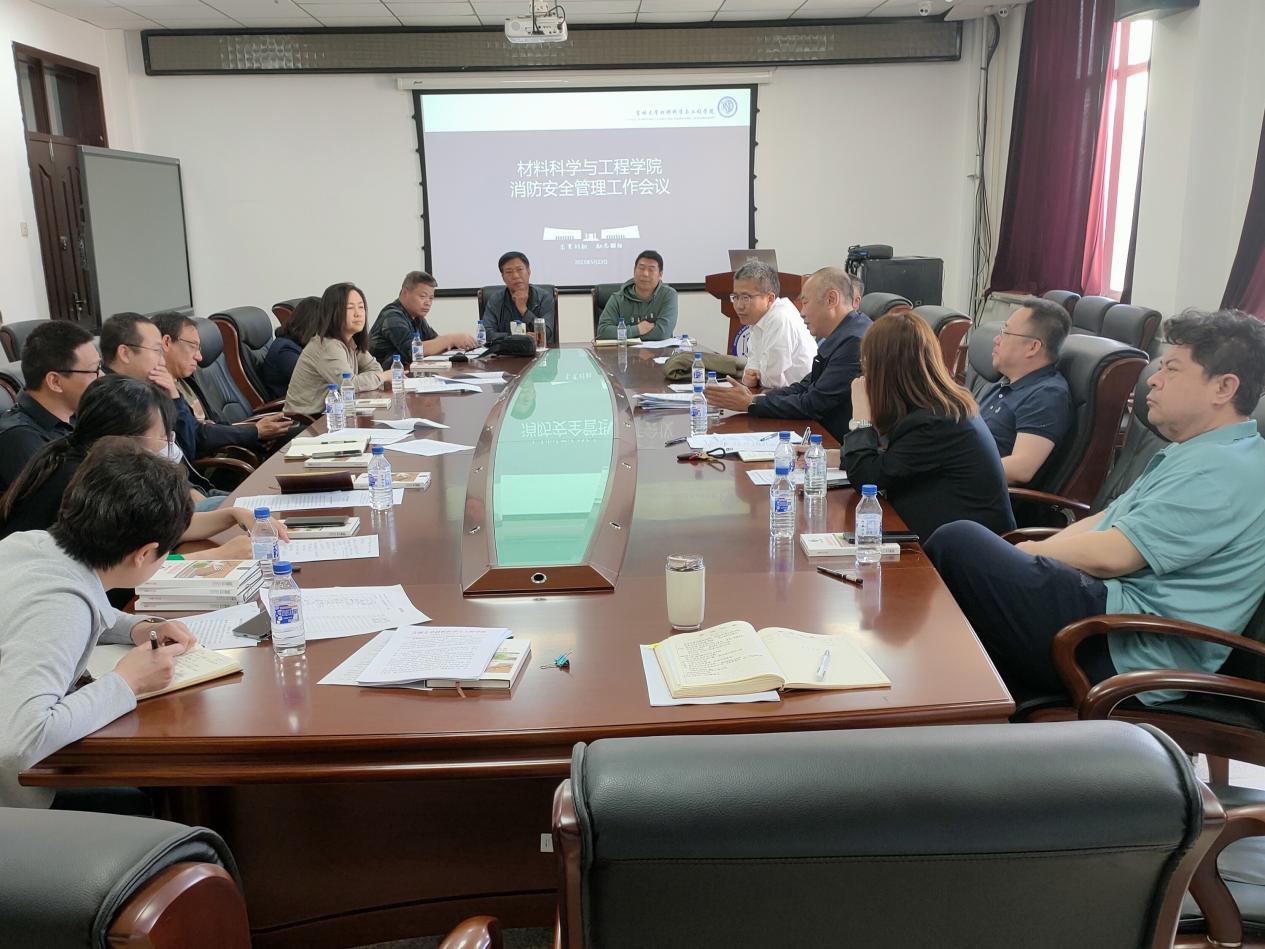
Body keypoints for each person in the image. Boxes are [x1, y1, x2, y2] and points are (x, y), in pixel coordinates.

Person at [926, 309, 1265, 703]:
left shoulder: (1224, 469)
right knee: (968, 571)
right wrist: (1032, 554)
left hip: (1119, 644)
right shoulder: (1199, 451)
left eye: (1171, 370)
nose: (1153, 379)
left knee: (958, 541)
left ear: (1223, 388)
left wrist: (1030, 552)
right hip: (1103, 613)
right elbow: (1107, 518)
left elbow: (1113, 555)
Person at [0, 439, 200, 808]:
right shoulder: (61, 607)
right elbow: (19, 743)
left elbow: (47, 611)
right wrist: (127, 682)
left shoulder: (29, 544)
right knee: (144, 799)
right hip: (14, 808)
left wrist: (137, 628)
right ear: (144, 554)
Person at [0, 374, 285, 557]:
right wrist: (219, 555)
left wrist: (233, 515)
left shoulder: (90, 458)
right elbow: (123, 572)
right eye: (161, 435)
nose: (166, 444)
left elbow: (158, 531)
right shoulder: (88, 482)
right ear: (124, 439)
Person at [840, 311, 1015, 541]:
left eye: (866, 362)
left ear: (886, 368)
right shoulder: (934, 406)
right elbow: (892, 459)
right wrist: (836, 455)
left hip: (962, 550)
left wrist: (861, 419)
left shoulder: (935, 422)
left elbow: (867, 480)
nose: (864, 371)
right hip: (939, 530)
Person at [706, 267, 871, 441]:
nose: (802, 313)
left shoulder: (854, 342)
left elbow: (813, 404)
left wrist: (751, 403)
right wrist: (754, 399)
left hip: (838, 443)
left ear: (831, 299)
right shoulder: (843, 334)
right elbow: (805, 386)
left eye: (805, 303)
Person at [150, 311, 291, 461]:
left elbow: (216, 423)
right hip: (214, 464)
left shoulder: (188, 379)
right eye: (193, 346)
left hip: (229, 450)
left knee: (289, 437)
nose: (199, 357)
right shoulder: (157, 391)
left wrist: (255, 436)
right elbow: (197, 437)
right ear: (166, 342)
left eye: (199, 349)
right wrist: (254, 432)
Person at [979, 297, 1073, 485]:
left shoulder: (1046, 395)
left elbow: (1021, 469)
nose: (996, 339)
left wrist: (953, 469)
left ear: (1033, 347)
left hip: (979, 492)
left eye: (1005, 333)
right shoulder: (1005, 383)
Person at [0, 320, 98, 492]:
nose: (101, 378)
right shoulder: (19, 439)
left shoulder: (78, 413)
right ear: (55, 382)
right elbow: (72, 501)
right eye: (93, 371)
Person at [284, 282, 389, 415]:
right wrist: (384, 376)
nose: (358, 314)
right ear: (333, 312)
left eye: (361, 307)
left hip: (332, 414)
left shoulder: (350, 341)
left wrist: (374, 377)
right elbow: (350, 385)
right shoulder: (327, 346)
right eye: (350, 308)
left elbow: (374, 368)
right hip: (308, 421)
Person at [727, 260, 815, 389]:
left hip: (800, 397)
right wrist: (749, 377)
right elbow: (752, 367)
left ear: (770, 298)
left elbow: (772, 380)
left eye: (746, 297)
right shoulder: (758, 320)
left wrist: (756, 378)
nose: (739, 306)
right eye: (735, 297)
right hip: (782, 395)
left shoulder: (780, 319)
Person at [369, 271, 476, 368]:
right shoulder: (392, 316)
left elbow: (435, 341)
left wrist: (457, 344)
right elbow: (413, 351)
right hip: (384, 378)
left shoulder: (417, 317)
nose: (428, 303)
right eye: (423, 296)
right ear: (404, 293)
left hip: (405, 373)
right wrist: (450, 339)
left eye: (431, 298)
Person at [594, 250, 679, 342]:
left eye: (651, 270)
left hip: (661, 351)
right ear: (634, 270)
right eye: (641, 268)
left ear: (660, 274)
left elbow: (662, 333)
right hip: (625, 350)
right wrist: (637, 329)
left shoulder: (668, 295)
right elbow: (602, 332)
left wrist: (623, 335)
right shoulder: (618, 298)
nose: (645, 274)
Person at [481, 252, 557, 346]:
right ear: (503, 277)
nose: (515, 276)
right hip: (505, 352)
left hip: (538, 351)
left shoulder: (544, 297)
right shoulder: (495, 300)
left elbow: (547, 333)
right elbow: (486, 333)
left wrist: (523, 309)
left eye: (520, 269)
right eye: (509, 272)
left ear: (528, 271)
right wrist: (518, 338)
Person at [260, 295, 321, 401]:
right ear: (314, 324)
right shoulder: (285, 351)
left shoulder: (298, 344)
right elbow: (314, 383)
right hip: (293, 408)